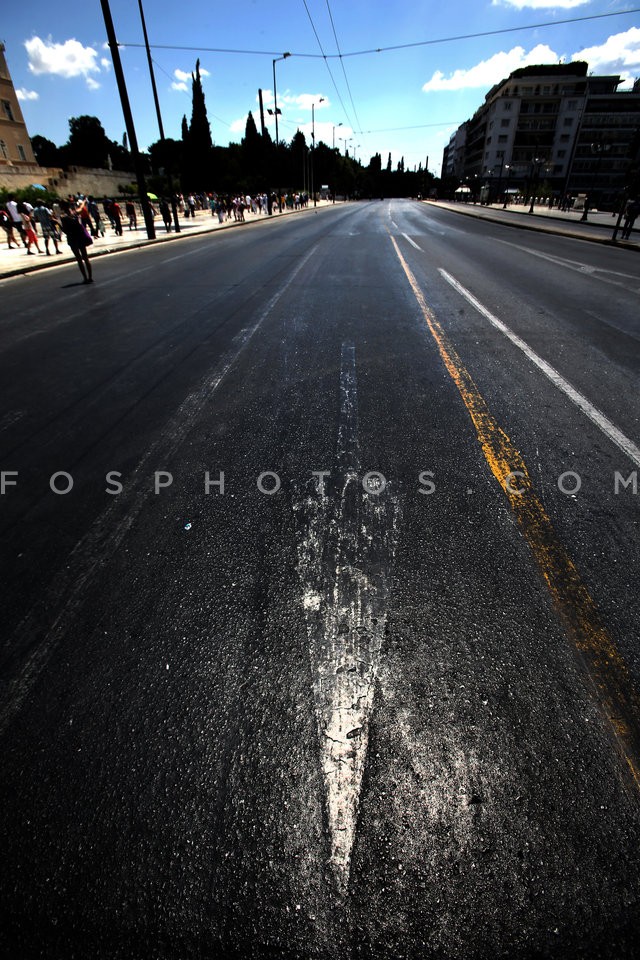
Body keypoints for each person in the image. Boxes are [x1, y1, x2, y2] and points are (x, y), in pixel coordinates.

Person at [59, 200, 93, 283]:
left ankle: (85, 278)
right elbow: (81, 207)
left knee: (79, 258)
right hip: (80, 236)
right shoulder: (75, 213)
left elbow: (65, 230)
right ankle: (90, 277)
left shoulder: (63, 217)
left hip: (72, 238)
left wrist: (57, 223)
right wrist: (84, 202)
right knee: (85, 257)